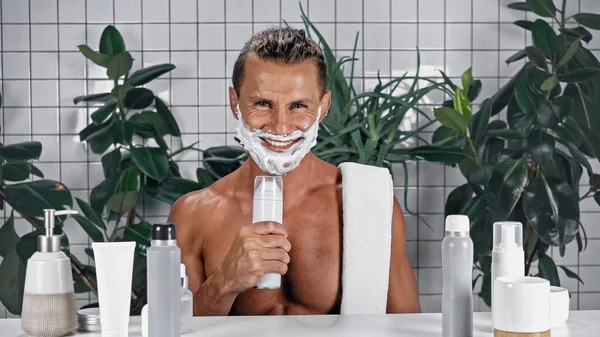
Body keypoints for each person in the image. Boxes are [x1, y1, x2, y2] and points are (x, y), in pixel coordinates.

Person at [168, 27, 421, 316]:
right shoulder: (193, 215)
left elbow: (407, 327)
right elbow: (173, 330)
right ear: (235, 103)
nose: (281, 126)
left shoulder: (370, 203)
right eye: (263, 104)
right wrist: (225, 282)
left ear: (322, 107)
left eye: (298, 106)